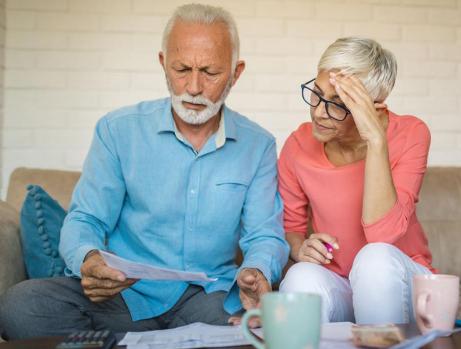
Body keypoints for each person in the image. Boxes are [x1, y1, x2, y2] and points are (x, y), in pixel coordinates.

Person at [0, 4, 288, 340]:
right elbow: (86, 220)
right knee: (21, 306)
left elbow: (265, 235)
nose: (193, 87)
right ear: (164, 63)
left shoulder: (259, 145)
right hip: (123, 297)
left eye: (210, 72)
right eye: (182, 69)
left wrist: (256, 270)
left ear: (236, 73)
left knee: (254, 327)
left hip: (206, 301)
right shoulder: (117, 131)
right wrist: (89, 258)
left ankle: (119, 344)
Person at [278, 37, 436, 324]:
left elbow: (383, 236)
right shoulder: (297, 145)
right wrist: (300, 247)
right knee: (300, 276)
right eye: (316, 94)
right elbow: (292, 228)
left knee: (374, 259)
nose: (318, 111)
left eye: (338, 104)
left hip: (403, 283)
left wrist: (375, 139)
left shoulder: (412, 133)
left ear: (372, 108)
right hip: (341, 283)